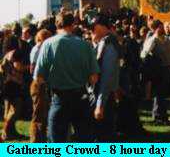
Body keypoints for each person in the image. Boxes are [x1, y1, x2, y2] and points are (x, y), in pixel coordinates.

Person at [33, 12, 99, 142]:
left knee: (57, 143)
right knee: (84, 141)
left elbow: (38, 78)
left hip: (59, 98)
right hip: (81, 98)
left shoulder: (48, 44)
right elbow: (94, 78)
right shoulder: (85, 45)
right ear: (73, 24)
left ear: (57, 25)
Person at [90, 14, 120, 141]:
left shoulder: (108, 44)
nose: (91, 31)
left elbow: (107, 77)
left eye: (93, 27)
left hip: (104, 99)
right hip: (103, 96)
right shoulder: (105, 42)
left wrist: (100, 105)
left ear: (101, 26)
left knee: (103, 139)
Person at [150, 20, 170, 124]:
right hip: (157, 69)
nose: (163, 29)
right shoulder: (153, 40)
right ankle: (157, 116)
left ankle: (163, 116)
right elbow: (144, 54)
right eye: (160, 27)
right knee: (158, 93)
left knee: (163, 93)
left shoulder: (167, 40)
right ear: (156, 28)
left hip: (166, 69)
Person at [29, 29, 51, 142]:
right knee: (38, 114)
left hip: (41, 83)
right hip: (38, 84)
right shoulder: (38, 48)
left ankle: (40, 139)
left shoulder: (40, 48)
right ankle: (35, 141)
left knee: (42, 114)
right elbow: (33, 69)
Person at [0, 47, 25, 141]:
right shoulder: (16, 53)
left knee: (8, 110)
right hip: (12, 84)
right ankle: (5, 132)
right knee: (16, 109)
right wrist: (28, 67)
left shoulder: (8, 53)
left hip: (7, 84)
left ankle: (10, 132)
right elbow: (17, 66)